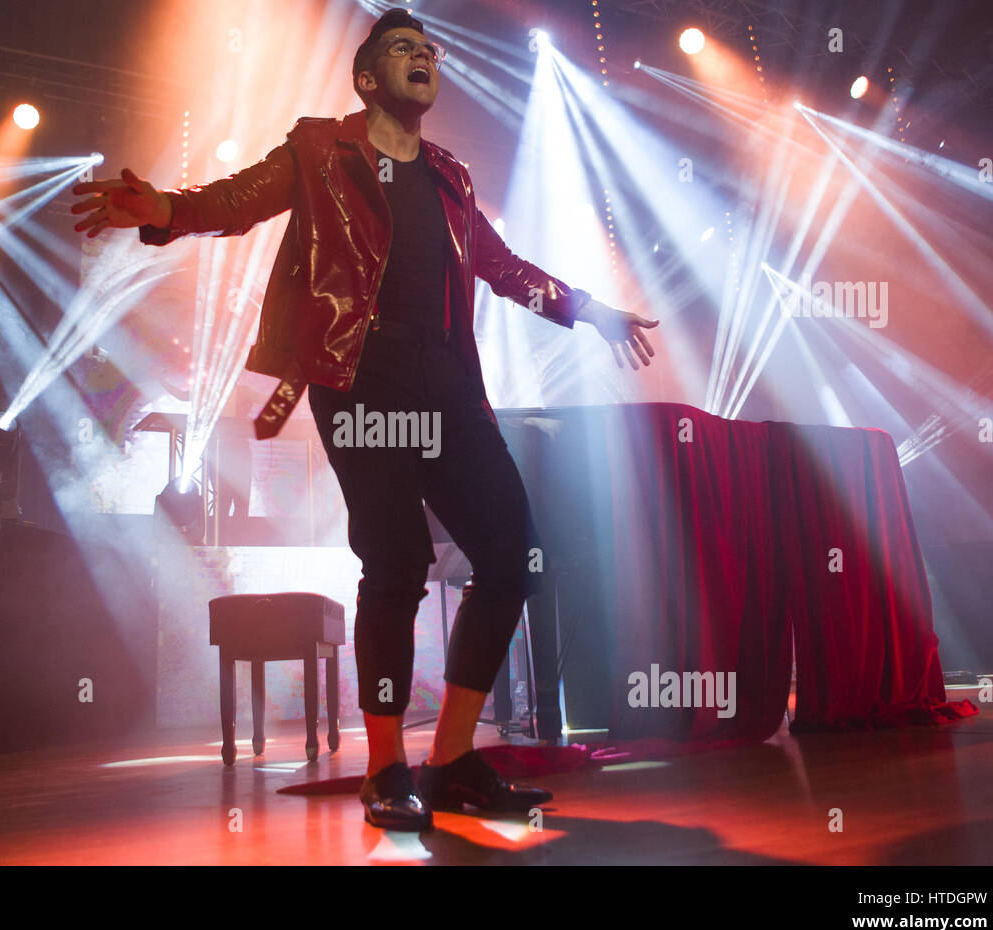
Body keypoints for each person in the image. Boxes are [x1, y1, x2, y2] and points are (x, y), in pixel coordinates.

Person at [72, 8, 658, 832]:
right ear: (366, 78)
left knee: (513, 555)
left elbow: (500, 267)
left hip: (448, 383)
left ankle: (450, 759)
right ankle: (386, 767)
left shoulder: (450, 177)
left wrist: (586, 308)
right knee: (396, 562)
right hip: (360, 376)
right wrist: (165, 208)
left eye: (429, 48)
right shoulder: (320, 151)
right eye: (401, 49)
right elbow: (239, 201)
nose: (422, 56)